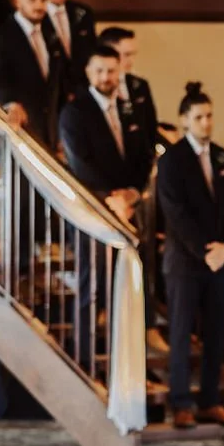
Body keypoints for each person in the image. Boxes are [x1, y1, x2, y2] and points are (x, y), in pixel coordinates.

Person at [59, 46, 156, 367]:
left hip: (128, 209)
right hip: (93, 211)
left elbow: (144, 155)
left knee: (127, 289)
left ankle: (126, 366)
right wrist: (111, 198)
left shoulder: (130, 110)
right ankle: (85, 365)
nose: (106, 77)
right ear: (88, 73)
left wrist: (132, 193)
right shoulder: (75, 112)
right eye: (99, 71)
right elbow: (79, 163)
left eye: (112, 71)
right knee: (92, 289)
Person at [156, 82, 224, 430]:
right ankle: (181, 404)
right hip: (184, 262)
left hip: (218, 259)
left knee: (215, 335)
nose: (206, 122)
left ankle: (209, 401)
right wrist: (204, 250)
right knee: (180, 333)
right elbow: (174, 213)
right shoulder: (172, 160)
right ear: (184, 120)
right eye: (199, 117)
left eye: (209, 116)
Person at [0, 0, 67, 151]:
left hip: (49, 133)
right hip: (19, 129)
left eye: (43, 0)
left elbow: (57, 86)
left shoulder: (51, 37)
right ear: (18, 1)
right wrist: (11, 103)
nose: (39, 5)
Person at [98, 25, 159, 162]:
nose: (131, 61)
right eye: (126, 55)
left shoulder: (140, 86)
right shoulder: (93, 89)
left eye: (133, 54)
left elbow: (150, 127)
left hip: (139, 165)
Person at [38, 0, 97, 90]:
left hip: (81, 92)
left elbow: (92, 54)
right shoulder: (34, 15)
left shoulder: (83, 13)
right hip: (48, 93)